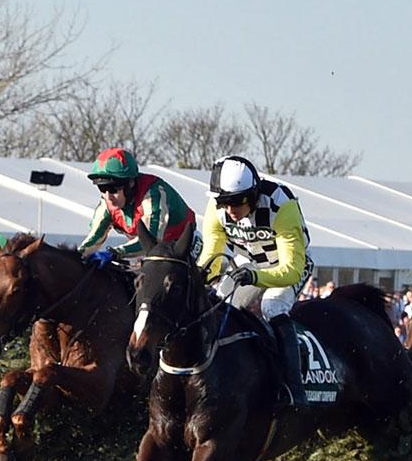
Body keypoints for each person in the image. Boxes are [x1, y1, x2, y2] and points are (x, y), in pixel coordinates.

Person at [198, 154, 313, 408]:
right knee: (217, 305)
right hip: (247, 262)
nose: (230, 210)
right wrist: (199, 277)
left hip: (288, 264)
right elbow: (211, 255)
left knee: (271, 307)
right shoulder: (217, 208)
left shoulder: (281, 204)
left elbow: (291, 269)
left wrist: (256, 276)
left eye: (237, 202)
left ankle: (294, 387)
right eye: (223, 202)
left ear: (253, 194)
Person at [78, 146, 196, 265]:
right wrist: (76, 256)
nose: (108, 196)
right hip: (148, 253)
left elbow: (150, 240)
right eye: (102, 188)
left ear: (131, 183)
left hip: (182, 247)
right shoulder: (107, 202)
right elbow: (93, 239)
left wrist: (115, 253)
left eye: (113, 188)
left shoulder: (153, 194)